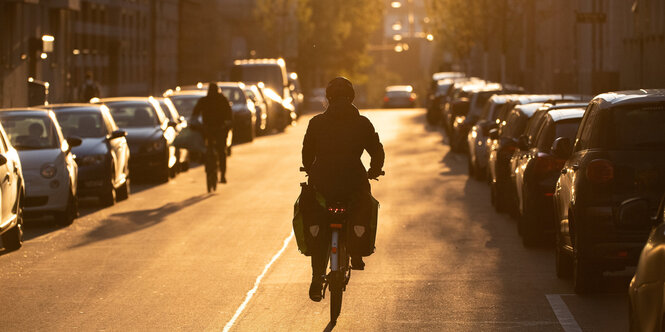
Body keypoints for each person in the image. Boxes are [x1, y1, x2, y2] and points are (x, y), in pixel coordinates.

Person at [302, 77, 385, 302]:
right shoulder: (362, 123)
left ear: (328, 98)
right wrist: (374, 170)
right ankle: (356, 253)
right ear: (352, 98)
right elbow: (376, 150)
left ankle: (317, 278)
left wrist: (310, 170)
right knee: (362, 203)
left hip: (323, 186)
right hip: (353, 183)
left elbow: (307, 153)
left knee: (317, 221)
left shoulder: (316, 123)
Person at [191, 82, 233, 183]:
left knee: (211, 149)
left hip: (211, 129)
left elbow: (195, 113)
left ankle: (211, 165)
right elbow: (229, 115)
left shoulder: (205, 100)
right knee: (221, 152)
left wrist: (194, 124)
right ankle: (222, 175)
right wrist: (228, 125)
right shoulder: (222, 100)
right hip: (216, 129)